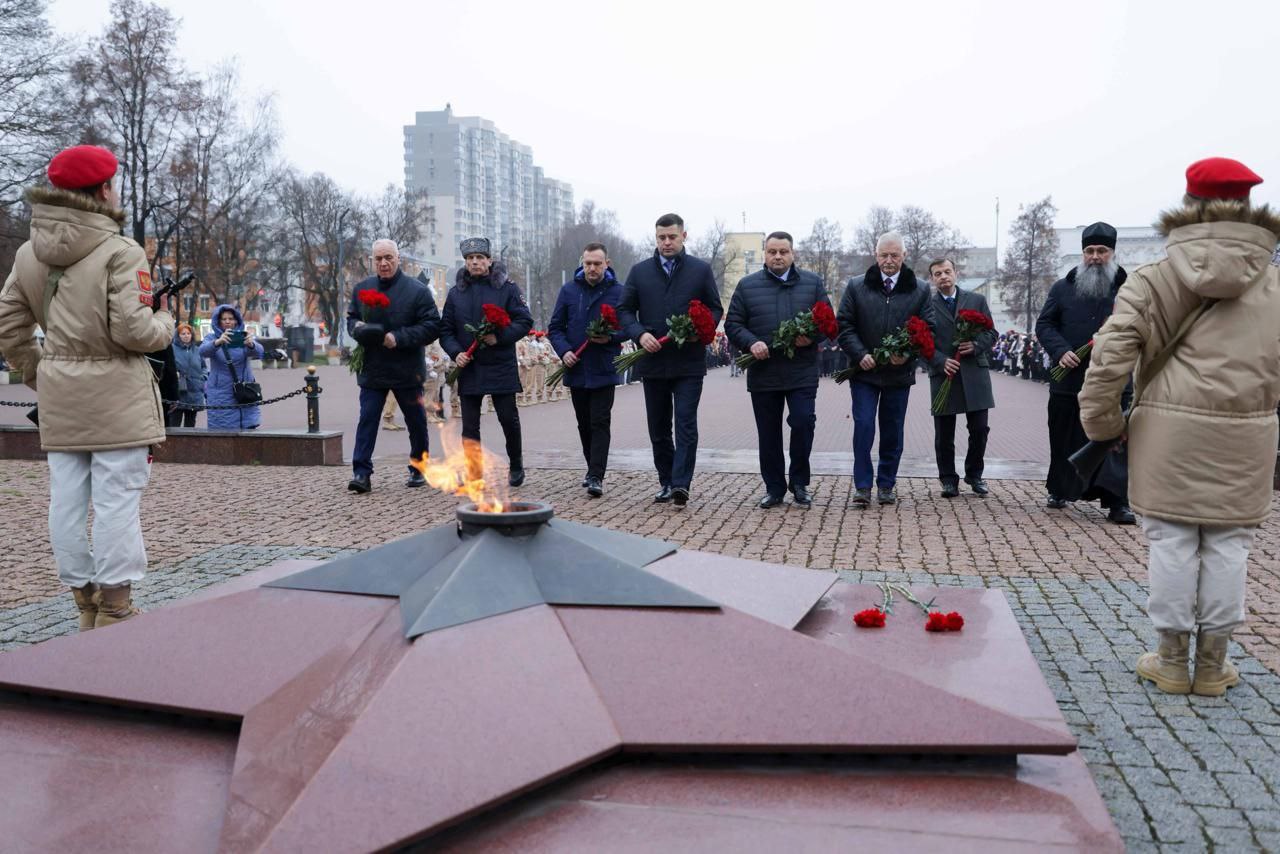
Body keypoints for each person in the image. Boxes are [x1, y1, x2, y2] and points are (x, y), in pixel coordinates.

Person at [1079, 157, 1280, 697]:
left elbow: (1110, 359)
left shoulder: (1152, 278)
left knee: (1170, 539)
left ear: (1188, 206)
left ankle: (1170, 660)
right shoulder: (1274, 284)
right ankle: (1213, 666)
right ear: (1248, 207)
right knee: (1229, 543)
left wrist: (1104, 425)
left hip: (1168, 432)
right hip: (1248, 433)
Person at [0, 144, 174, 629]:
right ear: (102, 190)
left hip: (61, 395)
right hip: (117, 393)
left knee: (67, 500)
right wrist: (163, 318)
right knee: (118, 502)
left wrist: (40, 371)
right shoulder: (121, 251)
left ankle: (85, 604)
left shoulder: (28, 253)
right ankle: (116, 608)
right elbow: (134, 332)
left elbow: (9, 325)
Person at [618, 213, 724, 507]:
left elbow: (715, 309)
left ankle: (681, 484)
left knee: (686, 423)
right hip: (653, 361)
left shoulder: (700, 270)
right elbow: (624, 310)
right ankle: (666, 480)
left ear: (683, 236)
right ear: (656, 238)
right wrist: (639, 334)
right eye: (661, 237)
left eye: (672, 237)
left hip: (688, 362)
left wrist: (700, 329)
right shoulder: (640, 272)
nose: (666, 242)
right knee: (659, 426)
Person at [1036, 222, 1135, 524]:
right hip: (1068, 380)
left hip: (1113, 380)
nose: (1094, 256)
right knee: (1063, 436)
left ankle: (1118, 502)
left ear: (1112, 253)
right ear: (1082, 253)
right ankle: (1060, 489)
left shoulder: (1130, 289)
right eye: (1089, 251)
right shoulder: (1062, 287)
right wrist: (1060, 350)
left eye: (1101, 251)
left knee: (1115, 441)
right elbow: (1045, 324)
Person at [724, 231, 830, 508]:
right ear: (765, 254)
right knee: (768, 432)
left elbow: (828, 322)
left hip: (802, 371)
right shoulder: (747, 286)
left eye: (783, 251)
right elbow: (733, 324)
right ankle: (774, 487)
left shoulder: (813, 283)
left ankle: (799, 482)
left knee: (803, 422)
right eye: (772, 252)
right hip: (764, 371)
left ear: (793, 253)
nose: (778, 256)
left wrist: (813, 336)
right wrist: (751, 343)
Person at [836, 232, 937, 507]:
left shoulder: (920, 289)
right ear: (875, 255)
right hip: (864, 372)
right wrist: (860, 354)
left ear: (904, 256)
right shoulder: (856, 286)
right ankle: (863, 486)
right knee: (864, 425)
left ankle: (886, 484)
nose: (889, 261)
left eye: (894, 255)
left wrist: (905, 354)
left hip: (898, 374)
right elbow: (844, 324)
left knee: (892, 430)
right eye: (884, 255)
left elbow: (928, 329)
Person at [345, 239, 441, 493]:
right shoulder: (362, 288)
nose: (384, 263)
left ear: (399, 259)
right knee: (367, 419)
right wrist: (357, 329)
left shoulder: (417, 291)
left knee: (416, 421)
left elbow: (432, 326)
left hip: (407, 367)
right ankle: (361, 472)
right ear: (372, 261)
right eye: (378, 259)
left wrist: (399, 338)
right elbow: (352, 318)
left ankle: (419, 468)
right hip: (373, 367)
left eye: (388, 257)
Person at [440, 237, 534, 486]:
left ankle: (516, 465)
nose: (475, 262)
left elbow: (524, 321)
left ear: (489, 260)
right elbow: (446, 330)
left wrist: (499, 337)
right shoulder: (456, 293)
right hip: (469, 366)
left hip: (500, 363)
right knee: (470, 425)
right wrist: (456, 352)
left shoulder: (507, 288)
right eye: (470, 259)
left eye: (480, 258)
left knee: (508, 419)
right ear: (466, 262)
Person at [547, 242, 625, 498]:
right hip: (577, 367)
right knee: (584, 423)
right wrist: (564, 351)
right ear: (582, 263)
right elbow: (555, 327)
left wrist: (611, 338)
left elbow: (628, 327)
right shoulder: (569, 290)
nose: (592, 268)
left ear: (607, 264)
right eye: (588, 263)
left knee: (600, 421)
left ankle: (596, 475)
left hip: (603, 368)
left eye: (597, 264)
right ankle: (591, 466)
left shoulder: (619, 292)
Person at [926, 258, 997, 497]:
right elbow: (920, 341)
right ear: (932, 279)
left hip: (974, 372)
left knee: (979, 429)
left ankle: (974, 474)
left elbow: (992, 333)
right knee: (944, 433)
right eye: (938, 274)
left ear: (956, 273)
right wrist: (938, 360)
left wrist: (977, 345)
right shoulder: (926, 305)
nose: (943, 276)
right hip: (944, 373)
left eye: (947, 271)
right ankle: (948, 479)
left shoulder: (976, 300)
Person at [200, 304, 264, 431]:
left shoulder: (244, 336)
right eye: (224, 319)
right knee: (223, 431)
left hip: (245, 390)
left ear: (236, 321)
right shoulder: (212, 338)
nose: (228, 321)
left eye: (231, 318)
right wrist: (218, 342)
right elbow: (202, 351)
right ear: (218, 321)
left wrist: (251, 345)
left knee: (248, 432)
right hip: (221, 393)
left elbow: (260, 352)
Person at [168, 322, 205, 427]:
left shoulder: (197, 350)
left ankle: (188, 444)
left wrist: (202, 377)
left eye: (188, 333)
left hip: (194, 391)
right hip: (178, 391)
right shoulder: (172, 349)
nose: (186, 336)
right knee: (174, 423)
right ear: (178, 335)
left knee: (191, 424)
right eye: (183, 334)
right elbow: (167, 366)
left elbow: (204, 367)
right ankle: (174, 444)